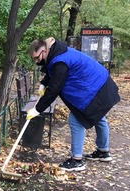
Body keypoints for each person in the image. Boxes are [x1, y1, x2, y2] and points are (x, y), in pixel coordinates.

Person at [27, 37, 120, 172]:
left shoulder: (60, 61)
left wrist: (37, 109)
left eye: (37, 58)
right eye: (34, 59)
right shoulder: (57, 52)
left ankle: (77, 160)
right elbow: (52, 69)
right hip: (100, 82)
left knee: (75, 120)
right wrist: (44, 82)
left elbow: (54, 89)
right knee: (99, 116)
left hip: (95, 87)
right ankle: (103, 152)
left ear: (44, 51)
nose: (36, 61)